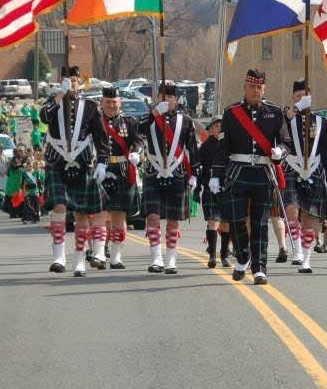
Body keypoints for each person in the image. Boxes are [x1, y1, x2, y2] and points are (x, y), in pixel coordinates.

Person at [211, 69, 291, 285]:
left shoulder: (274, 112)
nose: (255, 90)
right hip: (238, 172)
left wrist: (279, 152)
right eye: (252, 87)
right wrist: (216, 175)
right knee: (236, 221)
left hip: (263, 173)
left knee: (260, 223)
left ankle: (259, 268)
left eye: (259, 87)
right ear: (244, 87)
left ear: (264, 89)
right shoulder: (232, 112)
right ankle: (243, 254)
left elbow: (286, 142)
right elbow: (223, 147)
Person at [40, 67, 110, 276]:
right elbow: (44, 117)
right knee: (59, 207)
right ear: (61, 81)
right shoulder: (53, 103)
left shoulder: (89, 106)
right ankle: (59, 256)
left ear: (80, 83)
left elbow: (101, 137)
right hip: (57, 163)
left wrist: (102, 162)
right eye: (67, 80)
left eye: (74, 80)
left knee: (84, 214)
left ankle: (80, 259)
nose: (71, 83)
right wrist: (59, 94)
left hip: (82, 163)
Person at [139, 81, 200, 274]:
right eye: (163, 98)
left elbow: (192, 148)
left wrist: (195, 174)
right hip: (153, 171)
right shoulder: (149, 118)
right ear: (157, 99)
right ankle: (156, 258)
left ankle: (171, 259)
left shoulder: (186, 121)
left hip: (177, 173)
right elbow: (139, 130)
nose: (167, 101)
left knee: (173, 220)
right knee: (153, 216)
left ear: (176, 100)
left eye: (170, 98)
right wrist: (155, 113)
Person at [281, 79, 327, 274]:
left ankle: (306, 257)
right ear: (293, 98)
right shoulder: (287, 116)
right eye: (298, 96)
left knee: (310, 218)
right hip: (292, 168)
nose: (301, 99)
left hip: (314, 171)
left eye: (305, 97)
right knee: (291, 212)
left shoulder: (321, 121)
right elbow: (282, 122)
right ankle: (296, 248)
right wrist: (297, 107)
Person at [96, 86, 143, 269]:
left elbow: (137, 140)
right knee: (98, 214)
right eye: (107, 102)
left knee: (119, 217)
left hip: (123, 171)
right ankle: (99, 253)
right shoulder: (95, 121)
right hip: (100, 170)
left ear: (119, 103)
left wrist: (136, 152)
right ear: (102, 103)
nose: (111, 105)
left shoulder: (129, 121)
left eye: (114, 102)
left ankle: (116, 257)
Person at [197, 117, 232, 268]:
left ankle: (224, 255)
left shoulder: (230, 145)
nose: (219, 128)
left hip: (227, 187)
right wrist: (197, 186)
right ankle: (212, 256)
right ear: (211, 129)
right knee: (212, 221)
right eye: (216, 126)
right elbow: (199, 168)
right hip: (210, 188)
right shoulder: (204, 147)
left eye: (222, 126)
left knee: (226, 224)